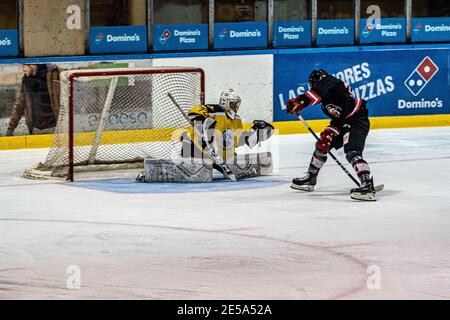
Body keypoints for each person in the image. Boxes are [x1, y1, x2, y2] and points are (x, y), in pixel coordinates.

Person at [286, 69, 376, 201]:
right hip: (342, 122)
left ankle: (367, 185)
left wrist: (300, 101)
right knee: (322, 144)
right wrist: (329, 133)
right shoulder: (327, 100)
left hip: (356, 120)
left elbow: (314, 95)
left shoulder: (330, 82)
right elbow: (338, 118)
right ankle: (311, 178)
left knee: (352, 152)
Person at [182, 88, 274, 173]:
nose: (235, 106)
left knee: (234, 163)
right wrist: (201, 124)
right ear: (224, 102)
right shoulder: (214, 110)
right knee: (208, 123)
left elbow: (236, 141)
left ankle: (219, 159)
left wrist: (253, 133)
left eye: (236, 104)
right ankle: (194, 158)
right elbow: (194, 112)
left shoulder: (237, 119)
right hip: (197, 151)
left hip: (220, 156)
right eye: (233, 103)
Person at [6, 64, 60, 136]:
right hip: (35, 129)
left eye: (24, 66)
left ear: (32, 65)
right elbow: (20, 104)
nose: (22, 69)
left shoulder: (54, 74)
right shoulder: (26, 80)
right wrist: (11, 128)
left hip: (55, 128)